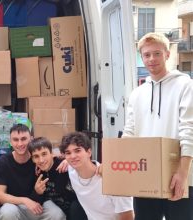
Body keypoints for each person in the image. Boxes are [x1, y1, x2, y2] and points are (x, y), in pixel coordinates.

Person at [123, 32, 193, 220]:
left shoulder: (185, 85)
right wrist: (120, 168)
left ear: (167, 54)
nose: (151, 59)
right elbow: (129, 133)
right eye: (146, 55)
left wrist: (183, 173)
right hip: (145, 172)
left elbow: (188, 129)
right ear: (141, 57)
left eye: (157, 53)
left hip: (177, 173)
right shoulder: (137, 93)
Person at [0, 123, 65, 220]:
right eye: (15, 140)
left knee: (56, 214)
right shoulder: (3, 162)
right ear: (10, 142)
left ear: (31, 139)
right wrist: (25, 200)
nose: (20, 144)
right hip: (15, 205)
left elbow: (55, 155)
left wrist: (67, 160)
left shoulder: (38, 159)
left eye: (23, 139)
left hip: (39, 203)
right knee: (7, 212)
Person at [60, 132, 134, 220]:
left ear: (89, 152)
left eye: (77, 151)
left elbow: (129, 216)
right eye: (68, 153)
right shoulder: (71, 169)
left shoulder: (111, 179)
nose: (72, 156)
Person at [28, 137, 87, 220]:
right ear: (32, 159)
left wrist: (69, 161)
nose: (41, 160)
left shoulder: (65, 166)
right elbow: (37, 204)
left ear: (52, 153)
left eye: (44, 154)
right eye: (36, 156)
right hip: (56, 214)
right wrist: (37, 193)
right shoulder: (37, 172)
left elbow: (86, 163)